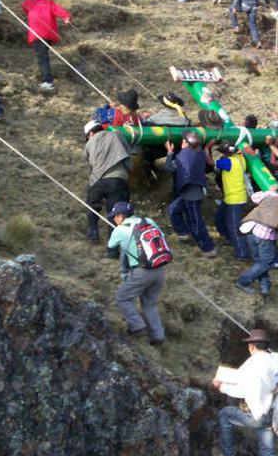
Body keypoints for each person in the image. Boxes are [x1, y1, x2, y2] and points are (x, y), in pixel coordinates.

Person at [211, 328, 278, 456]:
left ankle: (228, 454)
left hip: (257, 415)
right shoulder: (275, 362)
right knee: (268, 453)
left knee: (224, 414)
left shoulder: (253, 365)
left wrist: (220, 386)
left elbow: (242, 385)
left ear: (252, 346)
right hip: (269, 412)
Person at [105, 200, 169, 345]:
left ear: (121, 216)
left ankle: (137, 327)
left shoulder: (120, 230)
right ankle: (158, 336)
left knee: (123, 297)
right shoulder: (148, 221)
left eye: (115, 216)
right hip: (159, 269)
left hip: (141, 271)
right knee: (149, 303)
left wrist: (119, 231)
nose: (114, 219)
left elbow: (110, 245)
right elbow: (161, 236)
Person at [235, 183, 278, 297]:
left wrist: (269, 191)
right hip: (265, 236)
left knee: (259, 261)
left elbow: (254, 197)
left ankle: (265, 287)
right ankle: (242, 281)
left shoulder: (271, 195)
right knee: (269, 262)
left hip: (249, 229)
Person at [163, 131, 217, 256]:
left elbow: (169, 167)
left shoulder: (183, 156)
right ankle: (184, 233)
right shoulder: (199, 153)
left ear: (186, 143)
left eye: (183, 141)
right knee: (173, 209)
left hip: (191, 193)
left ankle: (208, 248)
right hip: (194, 190)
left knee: (196, 222)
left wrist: (170, 152)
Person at [84, 120, 131, 242]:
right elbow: (129, 154)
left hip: (97, 181)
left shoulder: (89, 144)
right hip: (118, 179)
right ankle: (113, 248)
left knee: (92, 207)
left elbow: (90, 165)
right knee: (116, 214)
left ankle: (93, 234)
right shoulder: (117, 134)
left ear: (90, 134)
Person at [21, 0, 70, 90]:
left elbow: (24, 6)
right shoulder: (49, 2)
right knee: (43, 55)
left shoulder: (29, 3)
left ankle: (48, 81)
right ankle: (47, 79)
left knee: (42, 58)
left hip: (37, 34)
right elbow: (59, 10)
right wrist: (66, 17)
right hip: (49, 33)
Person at [212, 143, 249, 261]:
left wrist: (208, 148)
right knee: (219, 219)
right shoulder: (240, 159)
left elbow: (211, 162)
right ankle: (231, 240)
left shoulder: (228, 162)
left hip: (234, 199)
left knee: (234, 227)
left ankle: (242, 254)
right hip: (233, 198)